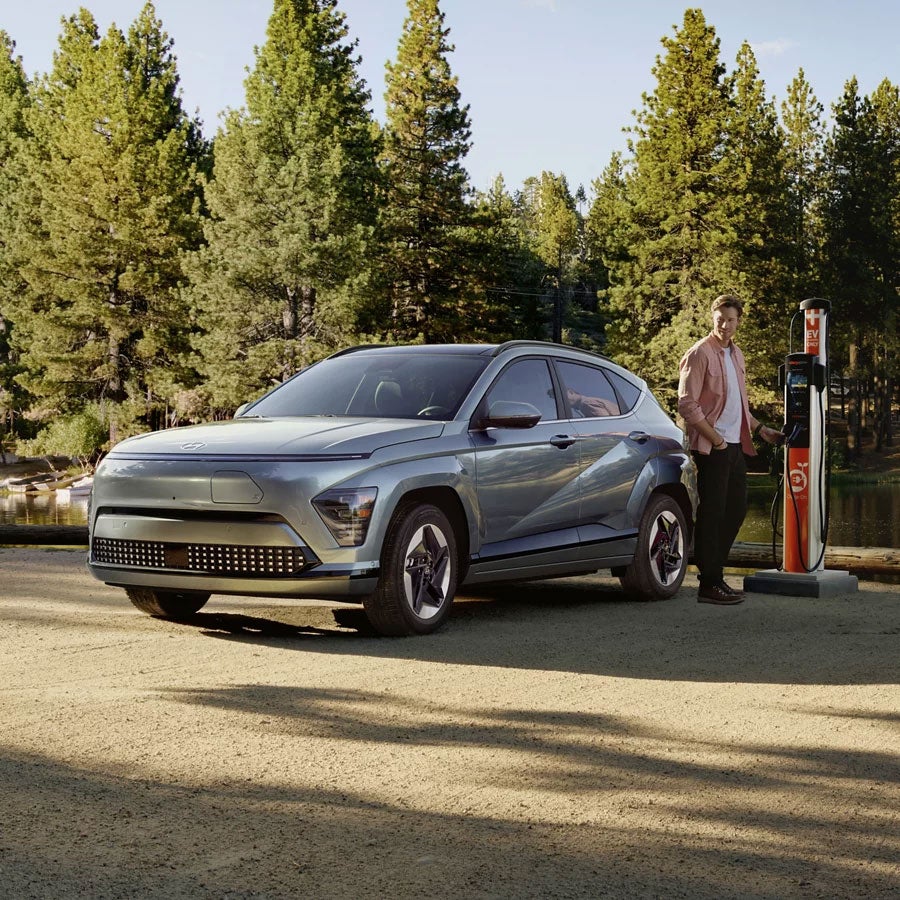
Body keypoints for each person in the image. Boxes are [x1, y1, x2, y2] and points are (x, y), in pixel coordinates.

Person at [678, 294, 782, 605]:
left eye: (731, 319)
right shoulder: (699, 354)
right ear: (713, 318)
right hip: (713, 447)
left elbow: (737, 404)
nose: (725, 325)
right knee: (712, 513)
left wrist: (761, 430)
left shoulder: (736, 355)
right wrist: (718, 440)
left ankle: (712, 574)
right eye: (720, 319)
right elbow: (686, 404)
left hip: (736, 445)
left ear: (738, 321)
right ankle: (710, 583)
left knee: (736, 511)